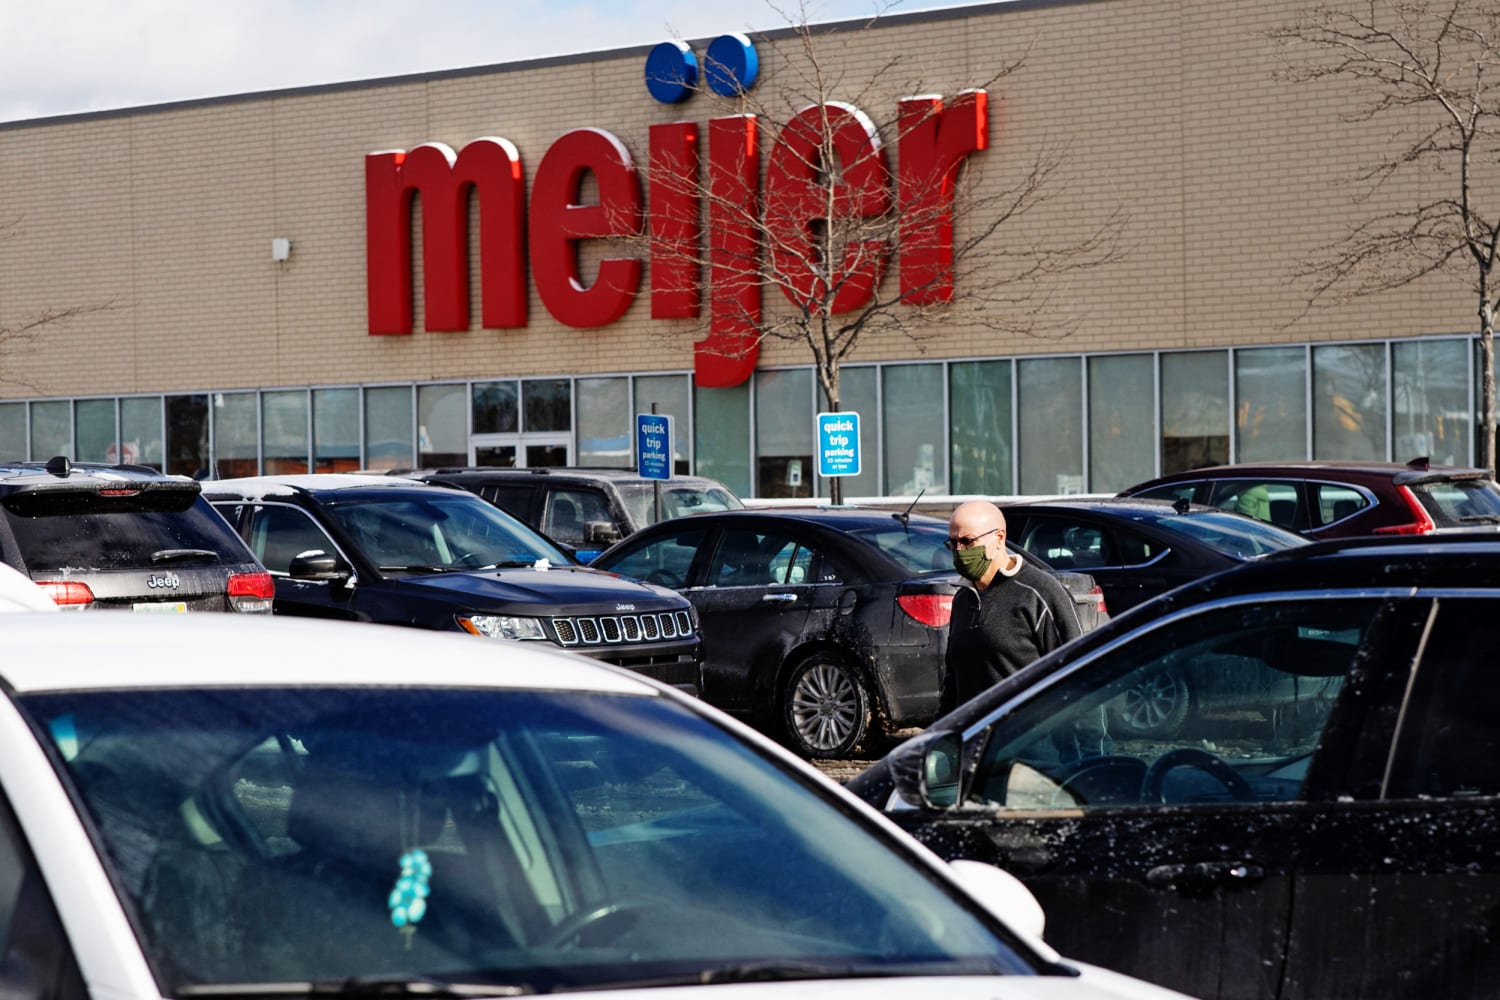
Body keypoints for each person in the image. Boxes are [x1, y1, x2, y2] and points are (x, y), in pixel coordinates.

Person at [939, 500, 1083, 714]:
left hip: (1029, 740)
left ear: (999, 538)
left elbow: (1078, 673)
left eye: (967, 541)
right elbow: (953, 682)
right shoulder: (963, 599)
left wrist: (1088, 744)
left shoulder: (1040, 592)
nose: (959, 550)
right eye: (953, 542)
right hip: (980, 742)